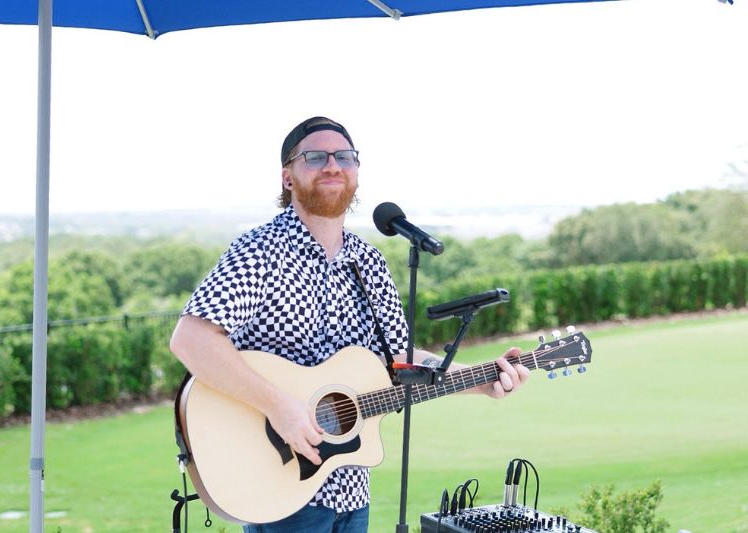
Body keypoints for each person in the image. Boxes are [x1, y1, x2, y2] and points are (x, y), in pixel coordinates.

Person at [169, 116, 530, 533]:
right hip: (283, 486)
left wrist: (480, 380)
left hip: (352, 486)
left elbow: (398, 358)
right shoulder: (260, 253)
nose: (332, 165)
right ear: (287, 177)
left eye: (344, 156)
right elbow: (191, 339)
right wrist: (279, 407)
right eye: (316, 156)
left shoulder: (369, 262)